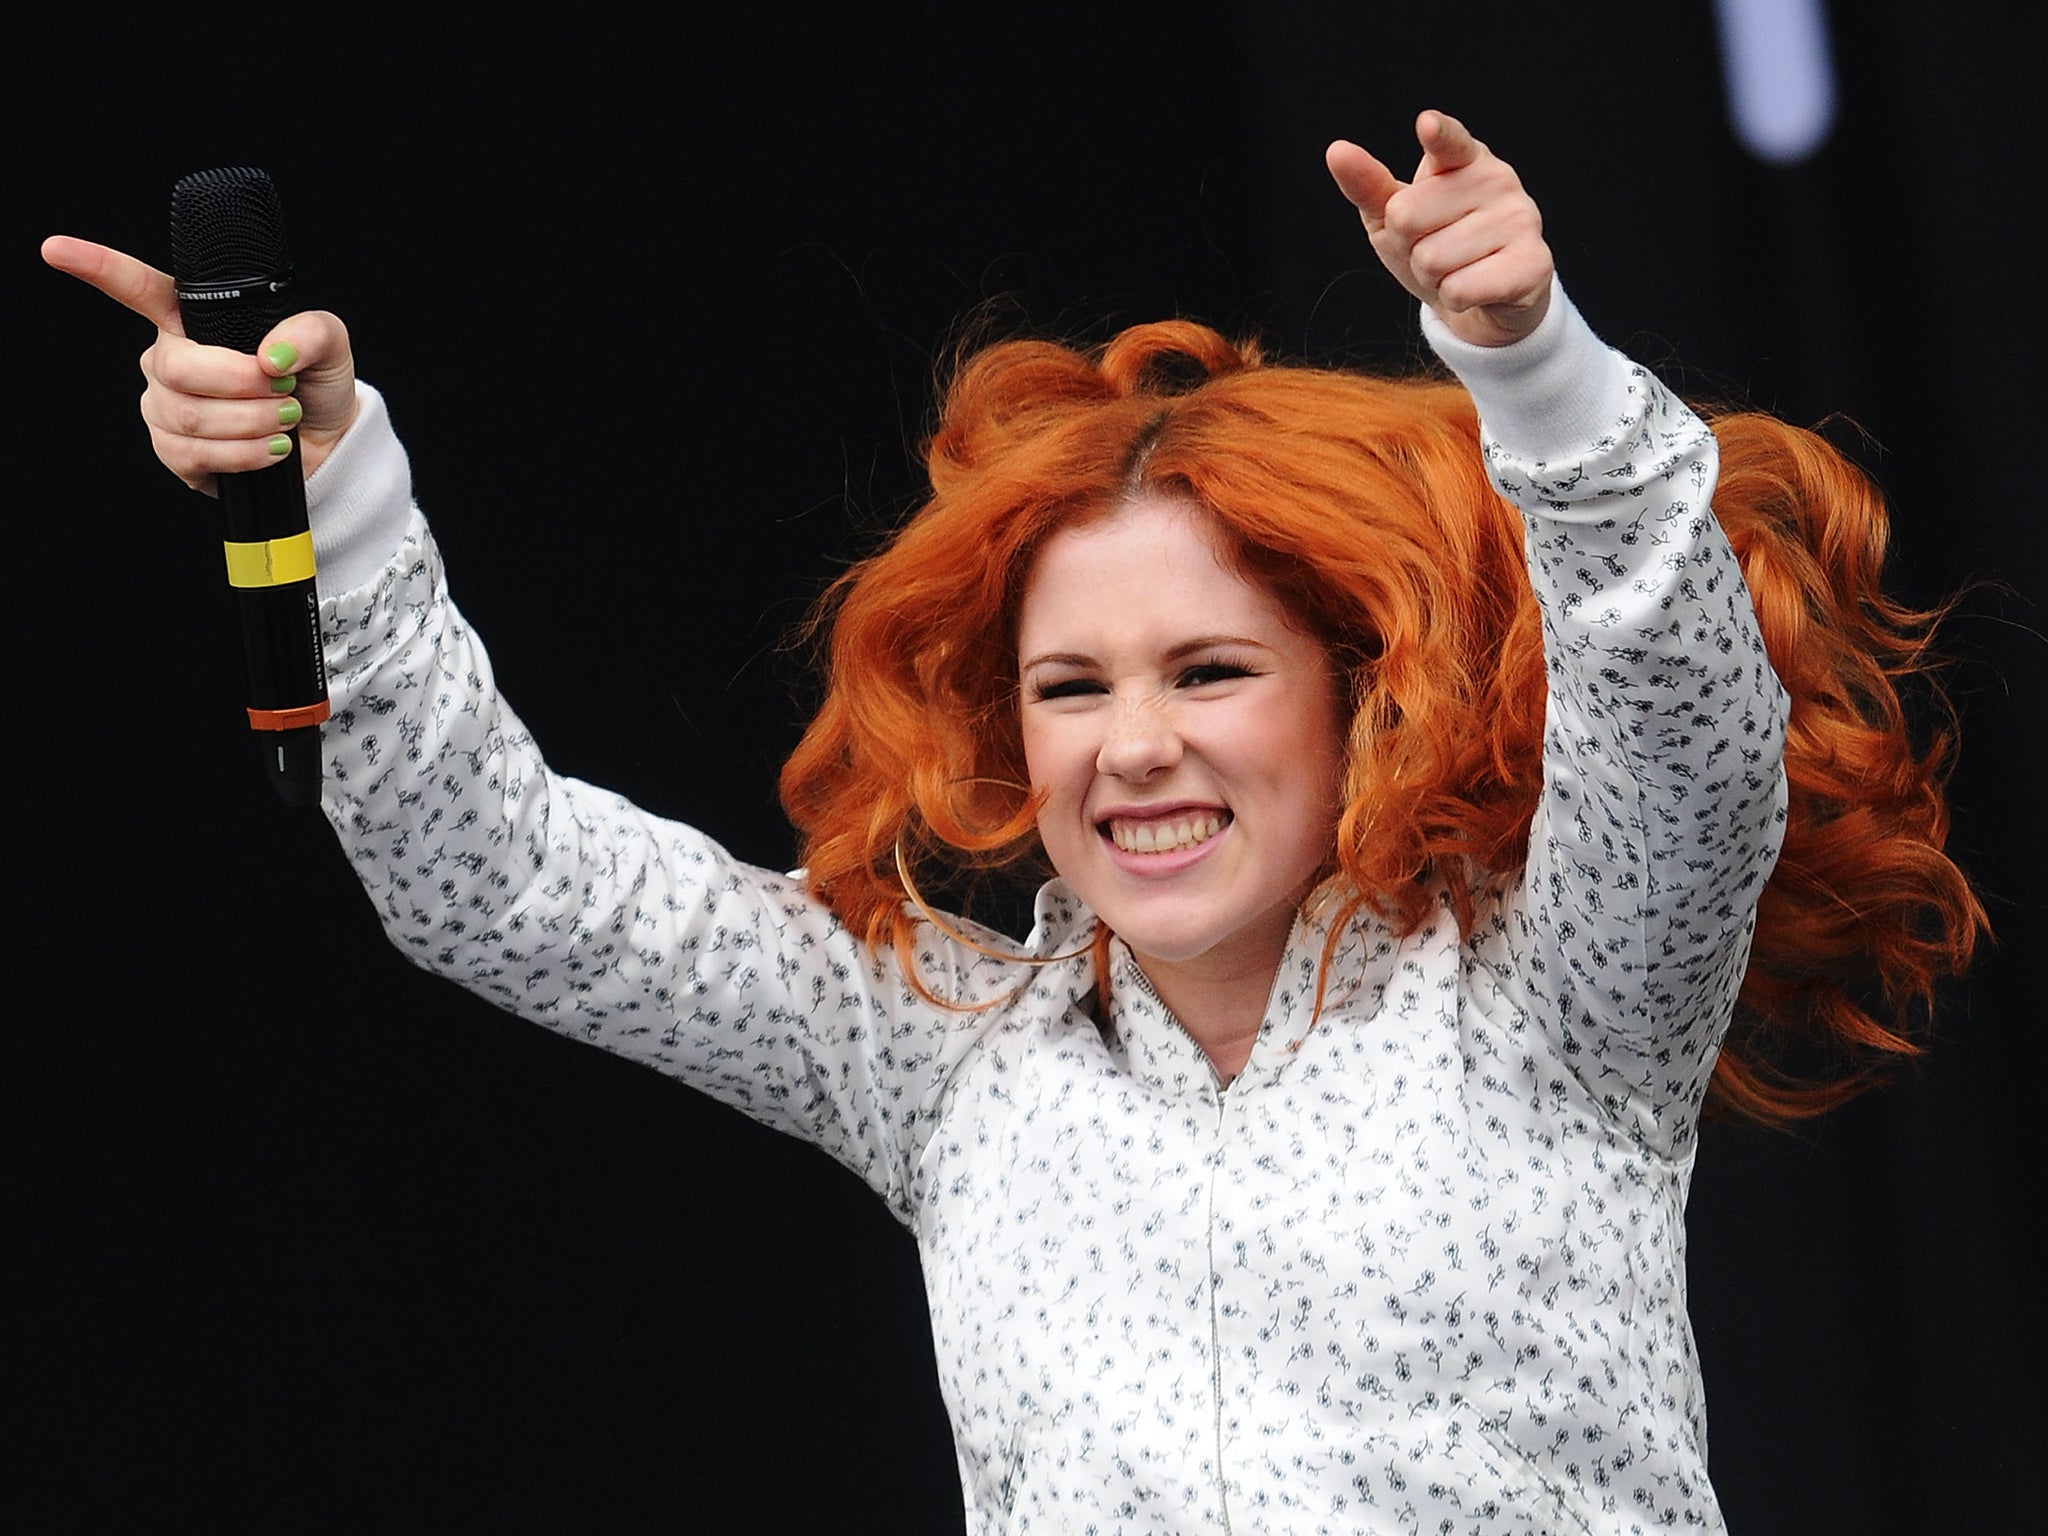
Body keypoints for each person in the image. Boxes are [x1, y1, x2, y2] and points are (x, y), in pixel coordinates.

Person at [44, 111, 1981, 1533]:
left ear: (1353, 697)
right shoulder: (946, 1059)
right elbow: (512, 882)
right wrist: (337, 491)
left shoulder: (1555, 1011)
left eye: (1207, 672)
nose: (1130, 747)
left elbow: (1678, 721)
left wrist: (1529, 364)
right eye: (1072, 689)